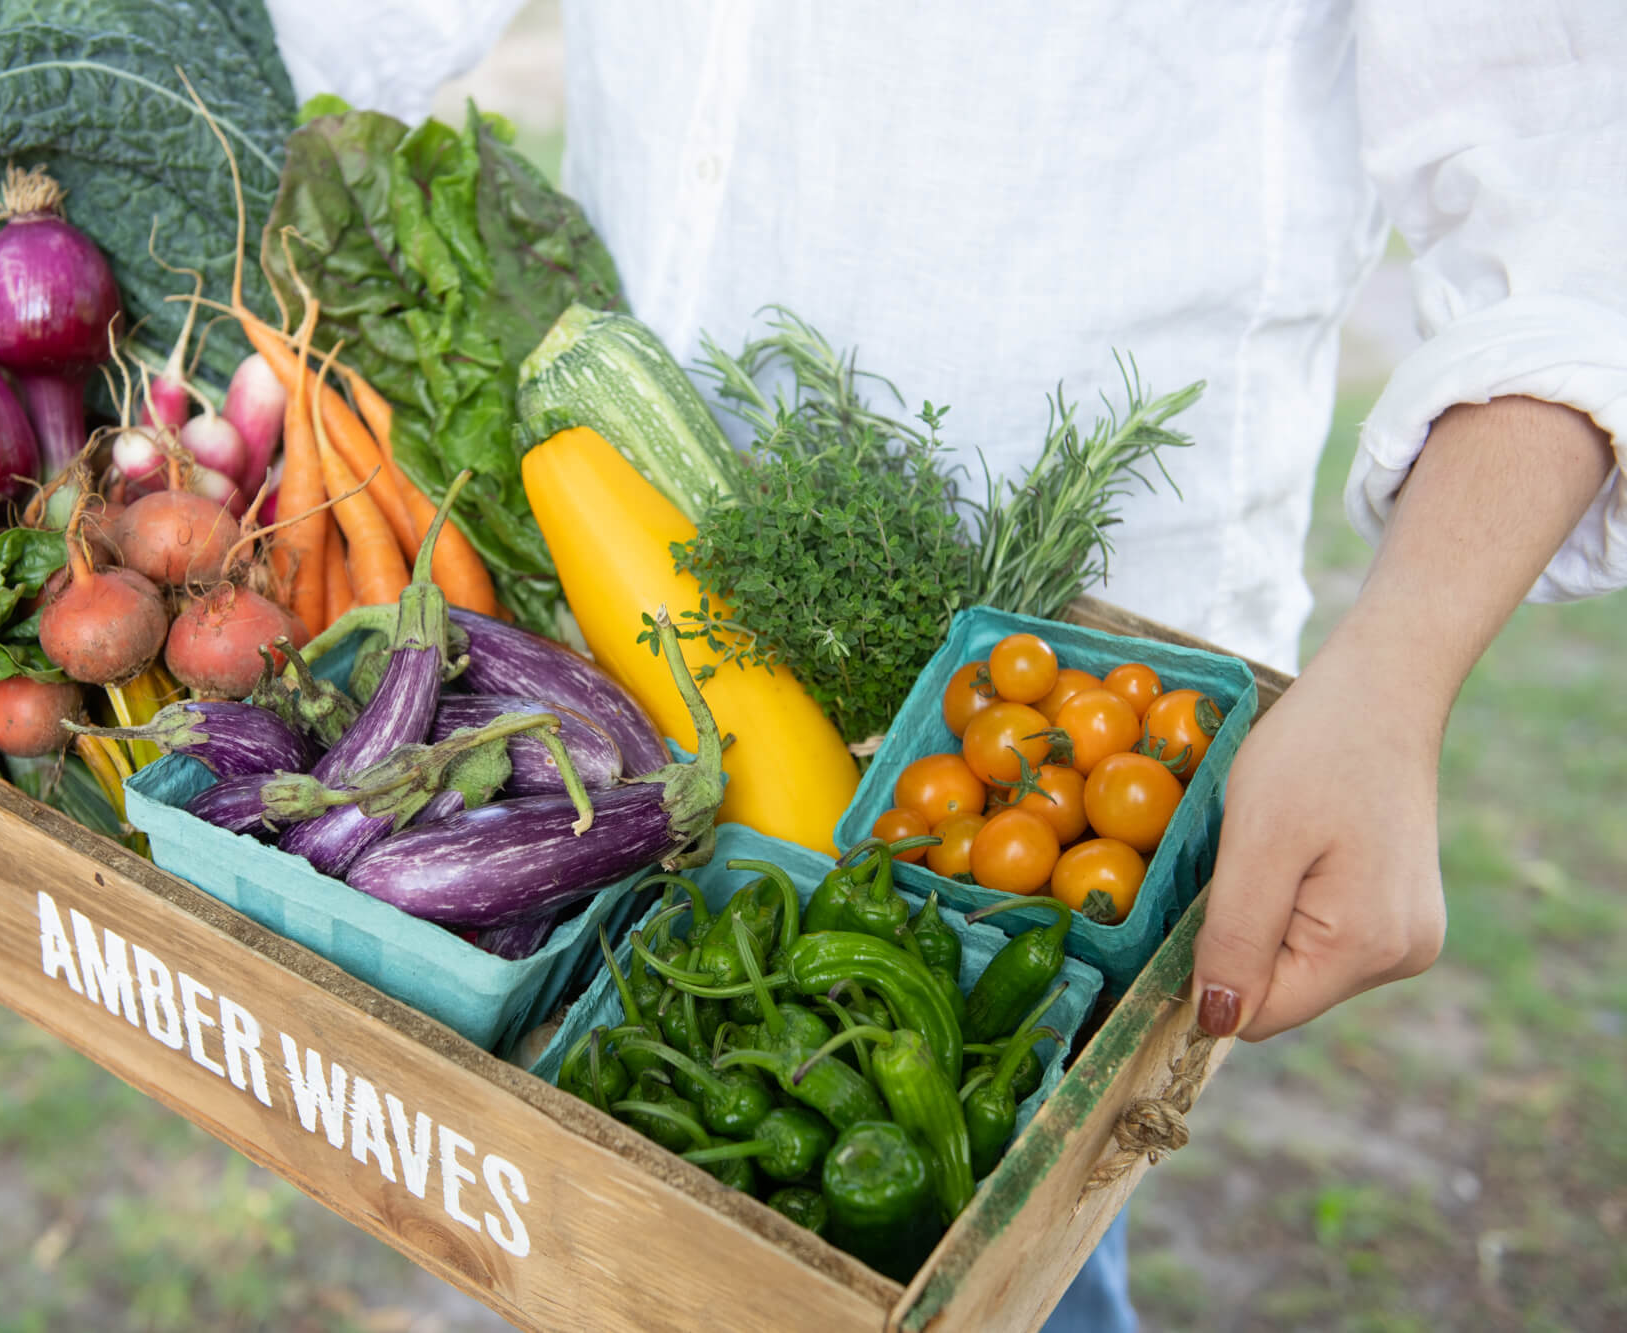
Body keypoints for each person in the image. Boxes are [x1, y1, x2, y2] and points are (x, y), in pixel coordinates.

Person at [264, 2, 1627, 1326]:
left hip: (1073, 667)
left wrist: (1397, 676)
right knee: (604, 1235)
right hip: (613, 633)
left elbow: (1569, 180)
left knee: (987, 1230)